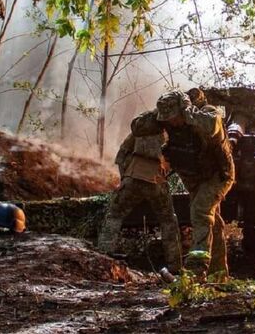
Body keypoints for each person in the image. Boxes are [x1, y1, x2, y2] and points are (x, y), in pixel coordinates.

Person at [132, 90, 235, 279]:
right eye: (168, 119)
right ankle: (219, 275)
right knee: (212, 222)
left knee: (200, 211)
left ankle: (196, 270)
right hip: (194, 179)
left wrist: (188, 112)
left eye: (175, 117)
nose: (172, 122)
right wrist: (157, 115)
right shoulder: (167, 120)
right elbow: (137, 127)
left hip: (217, 176)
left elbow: (213, 125)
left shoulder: (207, 114)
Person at [97, 130, 183, 274]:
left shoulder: (139, 129)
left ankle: (103, 257)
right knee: (168, 221)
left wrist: (125, 178)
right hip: (157, 181)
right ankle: (175, 266)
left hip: (132, 178)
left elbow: (121, 155)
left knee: (114, 215)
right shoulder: (170, 131)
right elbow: (178, 160)